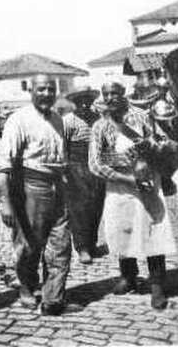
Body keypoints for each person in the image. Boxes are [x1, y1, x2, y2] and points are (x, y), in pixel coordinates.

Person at [89, 81, 176, 309]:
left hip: (147, 181)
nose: (110, 98)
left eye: (115, 93)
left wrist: (148, 149)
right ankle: (128, 276)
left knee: (152, 230)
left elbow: (162, 142)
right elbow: (95, 163)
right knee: (122, 229)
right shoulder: (100, 126)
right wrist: (124, 170)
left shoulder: (142, 116)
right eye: (106, 94)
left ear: (123, 93)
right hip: (120, 185)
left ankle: (157, 285)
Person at [0, 74, 71, 315]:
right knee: (29, 246)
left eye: (51, 89)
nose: (47, 93)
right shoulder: (18, 120)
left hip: (57, 186)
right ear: (31, 91)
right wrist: (6, 203)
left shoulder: (59, 120)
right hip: (30, 188)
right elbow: (3, 165)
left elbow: (62, 159)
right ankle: (26, 286)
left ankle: (53, 299)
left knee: (60, 244)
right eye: (42, 89)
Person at [63, 88, 105, 264]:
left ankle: (92, 242)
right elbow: (62, 148)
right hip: (76, 166)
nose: (84, 105)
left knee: (96, 205)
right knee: (79, 208)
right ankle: (82, 247)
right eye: (81, 101)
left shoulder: (98, 119)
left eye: (88, 101)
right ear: (75, 103)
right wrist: (65, 171)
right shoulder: (68, 121)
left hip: (96, 165)